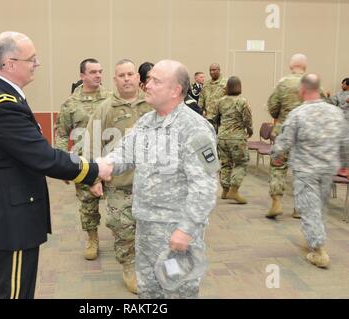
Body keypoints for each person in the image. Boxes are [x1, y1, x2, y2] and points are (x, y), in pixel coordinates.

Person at [0, 31, 111, 299]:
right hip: (12, 218)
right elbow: (42, 156)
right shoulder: (2, 104)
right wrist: (93, 170)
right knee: (14, 293)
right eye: (31, 59)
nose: (36, 64)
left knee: (6, 290)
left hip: (5, 210)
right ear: (10, 63)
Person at [92, 60, 219, 298]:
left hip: (175, 232)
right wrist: (102, 165)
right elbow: (124, 154)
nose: (146, 85)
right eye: (148, 79)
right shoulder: (146, 122)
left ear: (175, 90)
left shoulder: (195, 129)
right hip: (146, 228)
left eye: (155, 81)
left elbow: (204, 186)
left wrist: (187, 229)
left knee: (177, 291)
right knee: (148, 291)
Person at [85, 59, 152, 294]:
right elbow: (91, 145)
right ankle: (129, 268)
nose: (126, 79)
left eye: (130, 74)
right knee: (123, 229)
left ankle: (150, 264)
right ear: (115, 80)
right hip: (119, 184)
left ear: (138, 78)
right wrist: (93, 179)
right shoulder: (105, 109)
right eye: (121, 75)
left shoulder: (152, 106)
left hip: (151, 184)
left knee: (150, 229)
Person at [271, 73, 349, 268]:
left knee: (309, 208)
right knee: (319, 206)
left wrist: (276, 155)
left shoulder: (298, 114)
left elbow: (285, 140)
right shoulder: (335, 112)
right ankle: (313, 236)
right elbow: (345, 141)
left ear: (302, 91)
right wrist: (345, 163)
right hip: (328, 168)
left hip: (306, 169)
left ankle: (318, 250)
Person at [55, 58, 112, 261]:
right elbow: (61, 133)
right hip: (84, 163)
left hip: (111, 161)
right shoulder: (71, 103)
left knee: (119, 203)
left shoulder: (111, 98)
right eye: (93, 72)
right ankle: (92, 238)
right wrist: (62, 166)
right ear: (82, 76)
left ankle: (123, 237)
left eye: (100, 71)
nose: (98, 75)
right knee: (88, 204)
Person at [266, 53, 308, 219]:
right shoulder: (312, 82)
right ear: (305, 66)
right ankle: (299, 208)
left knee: (278, 167)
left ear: (291, 66)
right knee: (303, 170)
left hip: (284, 131)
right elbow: (323, 105)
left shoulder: (283, 83)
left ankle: (276, 202)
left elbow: (273, 106)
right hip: (305, 134)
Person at [215, 76, 253, 204]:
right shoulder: (242, 101)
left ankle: (225, 190)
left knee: (225, 163)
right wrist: (250, 130)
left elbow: (216, 118)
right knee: (241, 162)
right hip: (236, 137)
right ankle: (234, 190)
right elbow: (247, 119)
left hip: (222, 137)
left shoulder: (220, 101)